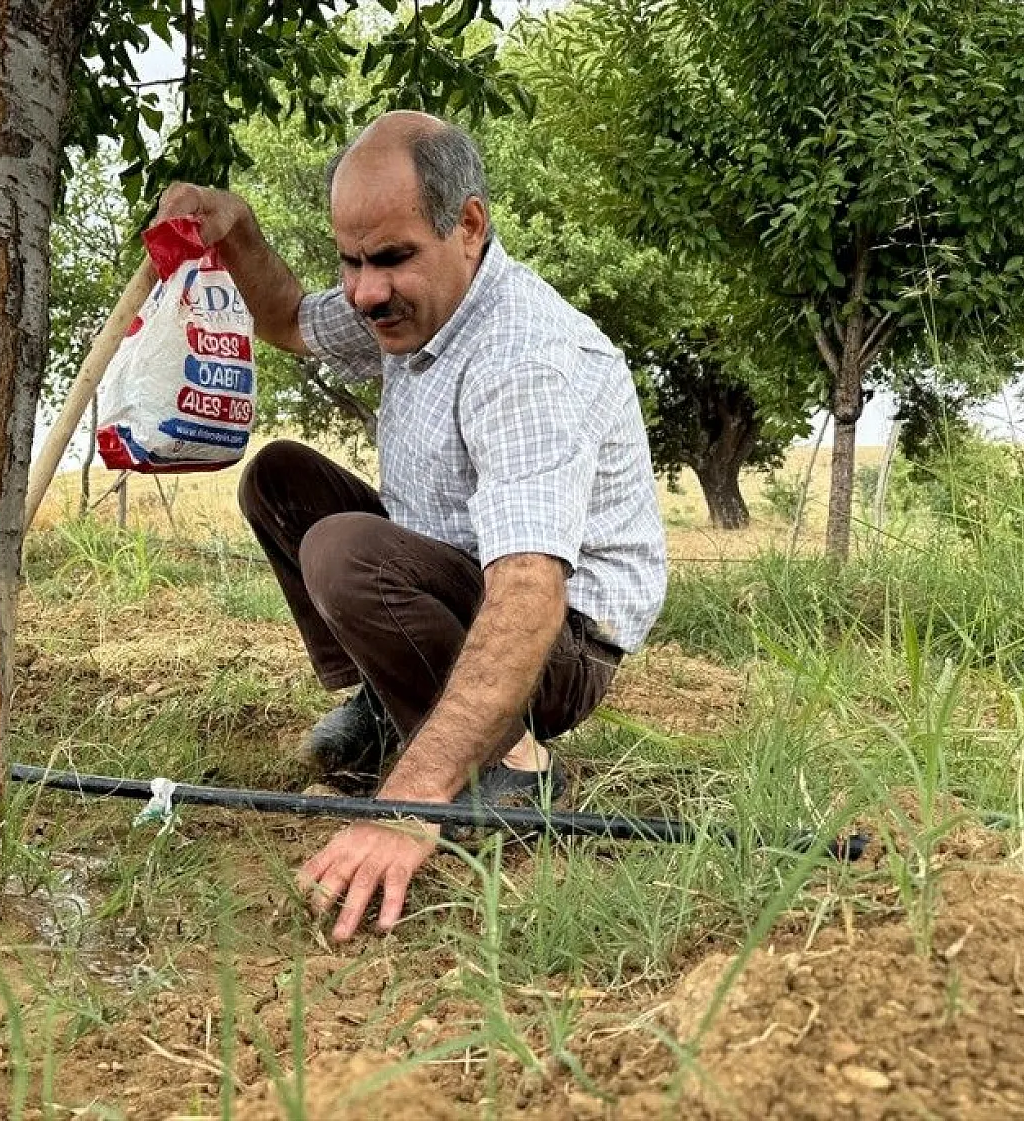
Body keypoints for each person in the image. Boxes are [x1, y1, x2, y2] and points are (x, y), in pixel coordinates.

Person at [157, 111, 666, 943]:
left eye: (390, 258)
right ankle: (388, 701)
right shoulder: (412, 309)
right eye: (350, 260)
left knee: (344, 552)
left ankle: (515, 760)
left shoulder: (523, 358)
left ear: (468, 226)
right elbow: (289, 318)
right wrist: (237, 232)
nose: (365, 291)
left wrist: (411, 799)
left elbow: (531, 590)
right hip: (464, 584)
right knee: (281, 480)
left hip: (559, 645)